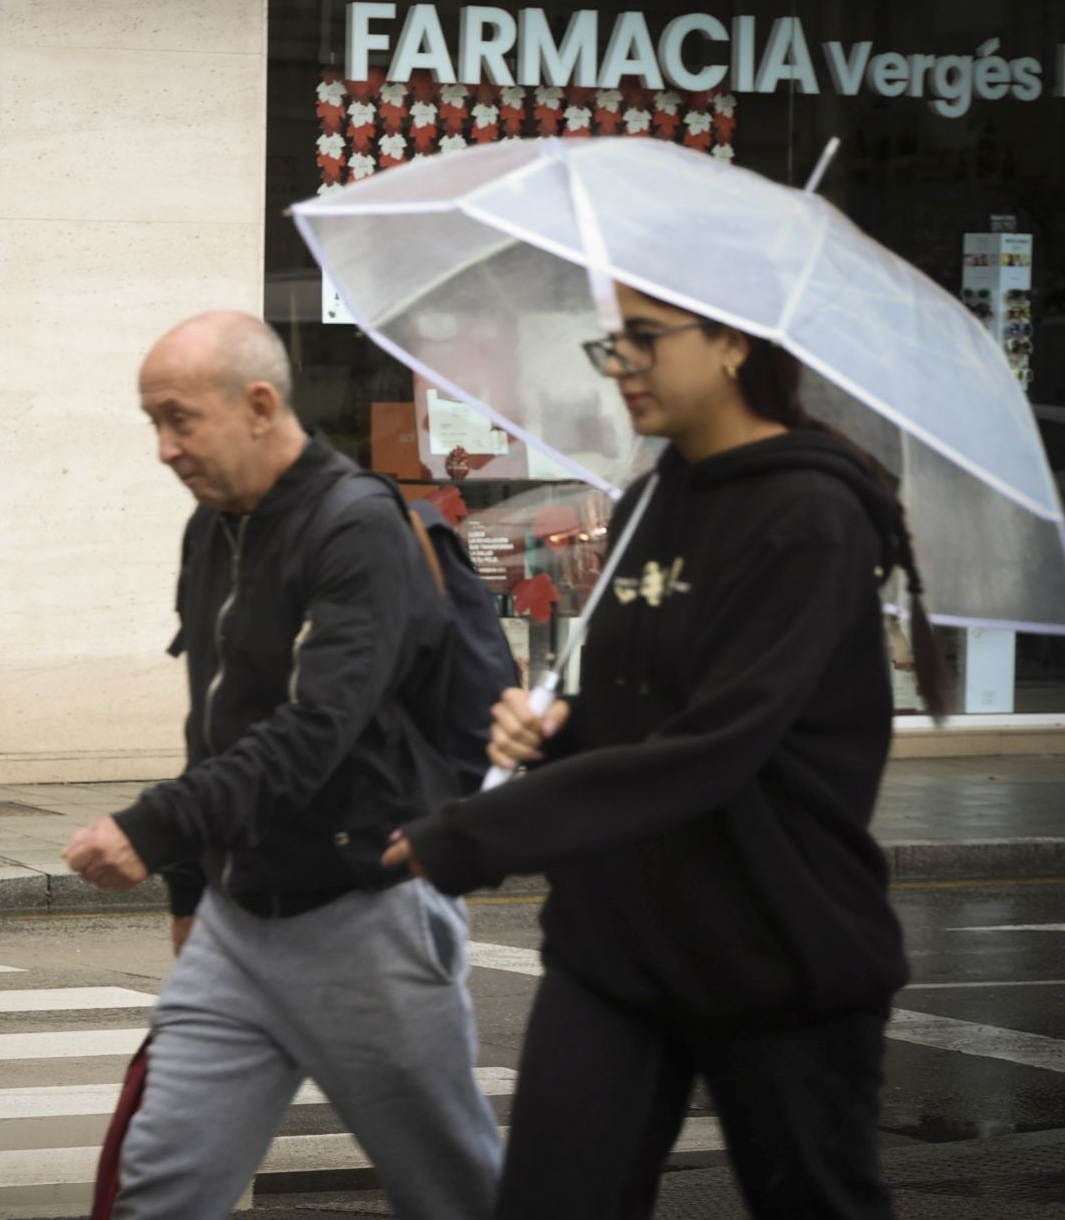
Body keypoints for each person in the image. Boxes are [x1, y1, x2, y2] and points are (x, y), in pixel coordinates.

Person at [384, 282, 951, 1220]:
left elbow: (713, 747)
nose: (624, 369)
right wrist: (547, 734)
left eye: (646, 340)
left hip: (778, 941)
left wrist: (483, 830)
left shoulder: (811, 514)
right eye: (612, 345)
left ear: (732, 342)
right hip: (617, 945)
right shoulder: (650, 499)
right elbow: (628, 715)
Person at [63, 311, 502, 1220]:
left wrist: (153, 829)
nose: (162, 448)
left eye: (178, 419)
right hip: (235, 922)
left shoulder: (357, 527)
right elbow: (212, 723)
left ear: (259, 404)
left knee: (454, 1191)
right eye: (153, 422)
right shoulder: (213, 528)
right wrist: (190, 891)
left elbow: (314, 734)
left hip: (364, 916)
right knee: (162, 1187)